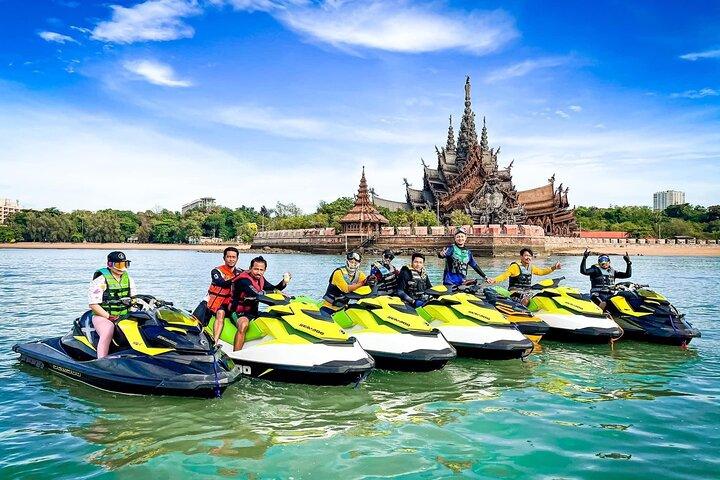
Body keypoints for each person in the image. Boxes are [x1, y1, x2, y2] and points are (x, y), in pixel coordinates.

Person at [228, 256, 291, 351]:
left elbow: (272, 288)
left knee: (279, 317)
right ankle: (236, 354)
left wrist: (284, 282)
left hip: (253, 312)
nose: (258, 272)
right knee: (244, 325)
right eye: (256, 269)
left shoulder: (261, 279)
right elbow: (256, 294)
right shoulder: (244, 280)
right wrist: (275, 299)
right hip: (238, 313)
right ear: (250, 268)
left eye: (261, 270)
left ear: (265, 270)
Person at [88, 251, 137, 359]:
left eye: (125, 264)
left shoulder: (129, 279)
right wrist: (108, 316)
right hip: (103, 317)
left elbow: (134, 300)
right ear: (110, 264)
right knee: (108, 330)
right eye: (118, 265)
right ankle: (101, 360)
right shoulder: (100, 280)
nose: (122, 268)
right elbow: (93, 304)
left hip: (124, 315)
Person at [491, 247, 561, 306]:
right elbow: (504, 276)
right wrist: (494, 280)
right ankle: (522, 313)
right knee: (526, 300)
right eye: (526, 255)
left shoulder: (531, 267)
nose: (528, 258)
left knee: (541, 298)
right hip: (514, 292)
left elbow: (541, 272)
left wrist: (554, 267)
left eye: (530, 256)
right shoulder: (515, 266)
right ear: (521, 257)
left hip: (527, 292)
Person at [207, 247, 242, 346]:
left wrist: (282, 284)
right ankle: (215, 342)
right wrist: (240, 278)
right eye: (229, 257)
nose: (231, 259)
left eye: (233, 257)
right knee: (220, 313)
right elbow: (222, 283)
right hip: (220, 302)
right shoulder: (216, 271)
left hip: (234, 303)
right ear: (224, 258)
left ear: (237, 259)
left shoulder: (240, 272)